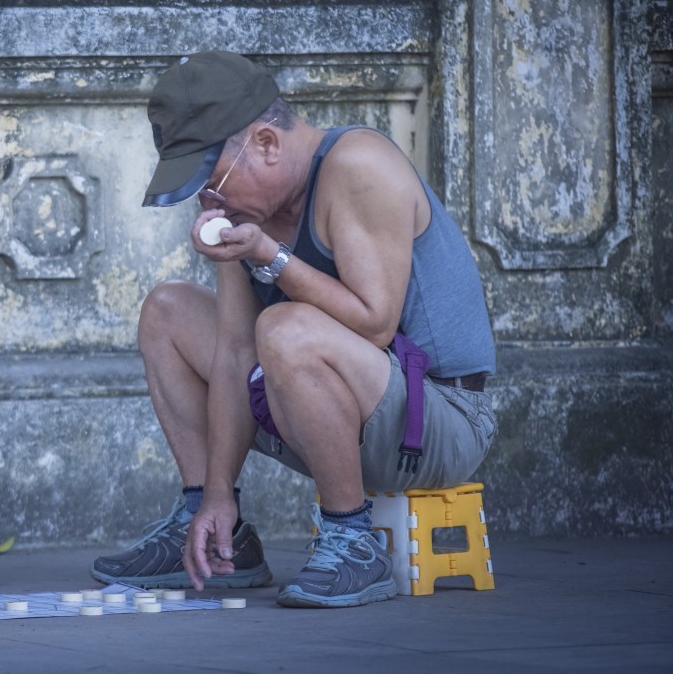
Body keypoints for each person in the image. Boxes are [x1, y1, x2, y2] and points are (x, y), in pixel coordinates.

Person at [91, 51, 497, 608]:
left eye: (214, 183)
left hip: (441, 421)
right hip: (341, 404)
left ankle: (352, 542)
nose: (214, 203)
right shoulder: (249, 213)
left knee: (284, 328)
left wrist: (268, 255)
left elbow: (375, 324)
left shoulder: (358, 165)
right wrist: (215, 495)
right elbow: (235, 354)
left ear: (266, 143)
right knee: (168, 310)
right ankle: (217, 535)